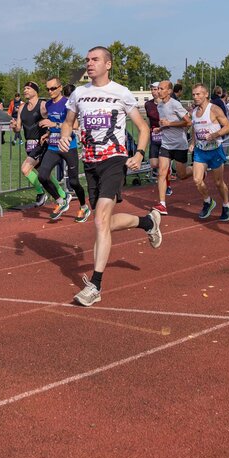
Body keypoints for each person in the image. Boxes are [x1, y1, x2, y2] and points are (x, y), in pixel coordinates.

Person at [60, 46, 160, 307]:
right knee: (102, 223)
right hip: (90, 163)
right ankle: (147, 222)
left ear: (108, 65)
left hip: (114, 160)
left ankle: (95, 285)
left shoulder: (121, 93)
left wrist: (138, 153)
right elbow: (68, 122)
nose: (89, 64)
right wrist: (64, 135)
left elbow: (142, 127)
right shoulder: (79, 94)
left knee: (101, 220)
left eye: (95, 60)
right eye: (87, 60)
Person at [37, 77, 90, 223]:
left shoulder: (67, 104)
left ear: (60, 88)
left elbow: (75, 125)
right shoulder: (48, 104)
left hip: (68, 146)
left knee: (73, 182)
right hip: (53, 147)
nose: (50, 91)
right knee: (42, 176)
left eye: (53, 88)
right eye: (48, 89)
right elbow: (54, 125)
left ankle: (84, 206)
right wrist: (48, 133)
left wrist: (54, 123)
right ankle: (60, 200)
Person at [12, 81, 63, 208]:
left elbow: (55, 118)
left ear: (36, 91)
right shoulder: (22, 108)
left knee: (25, 169)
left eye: (28, 88)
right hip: (28, 145)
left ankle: (41, 193)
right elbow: (18, 128)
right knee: (44, 174)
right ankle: (62, 195)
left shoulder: (43, 105)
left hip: (41, 144)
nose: (25, 91)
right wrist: (14, 127)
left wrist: (51, 131)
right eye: (24, 88)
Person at [189, 83, 229, 221]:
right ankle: (208, 201)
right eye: (194, 94)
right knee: (197, 180)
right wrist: (192, 142)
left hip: (215, 150)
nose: (196, 97)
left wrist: (214, 135)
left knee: (219, 182)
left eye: (198, 94)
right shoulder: (194, 112)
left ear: (206, 94)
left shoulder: (214, 109)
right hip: (201, 151)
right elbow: (194, 128)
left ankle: (226, 205)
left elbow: (227, 127)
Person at [153, 80, 191, 214]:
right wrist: (160, 128)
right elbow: (166, 123)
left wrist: (170, 123)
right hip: (166, 144)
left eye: (162, 88)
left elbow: (188, 122)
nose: (159, 91)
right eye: (158, 88)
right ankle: (162, 204)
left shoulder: (176, 104)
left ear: (169, 91)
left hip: (180, 144)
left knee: (182, 175)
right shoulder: (159, 106)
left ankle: (198, 170)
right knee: (162, 172)